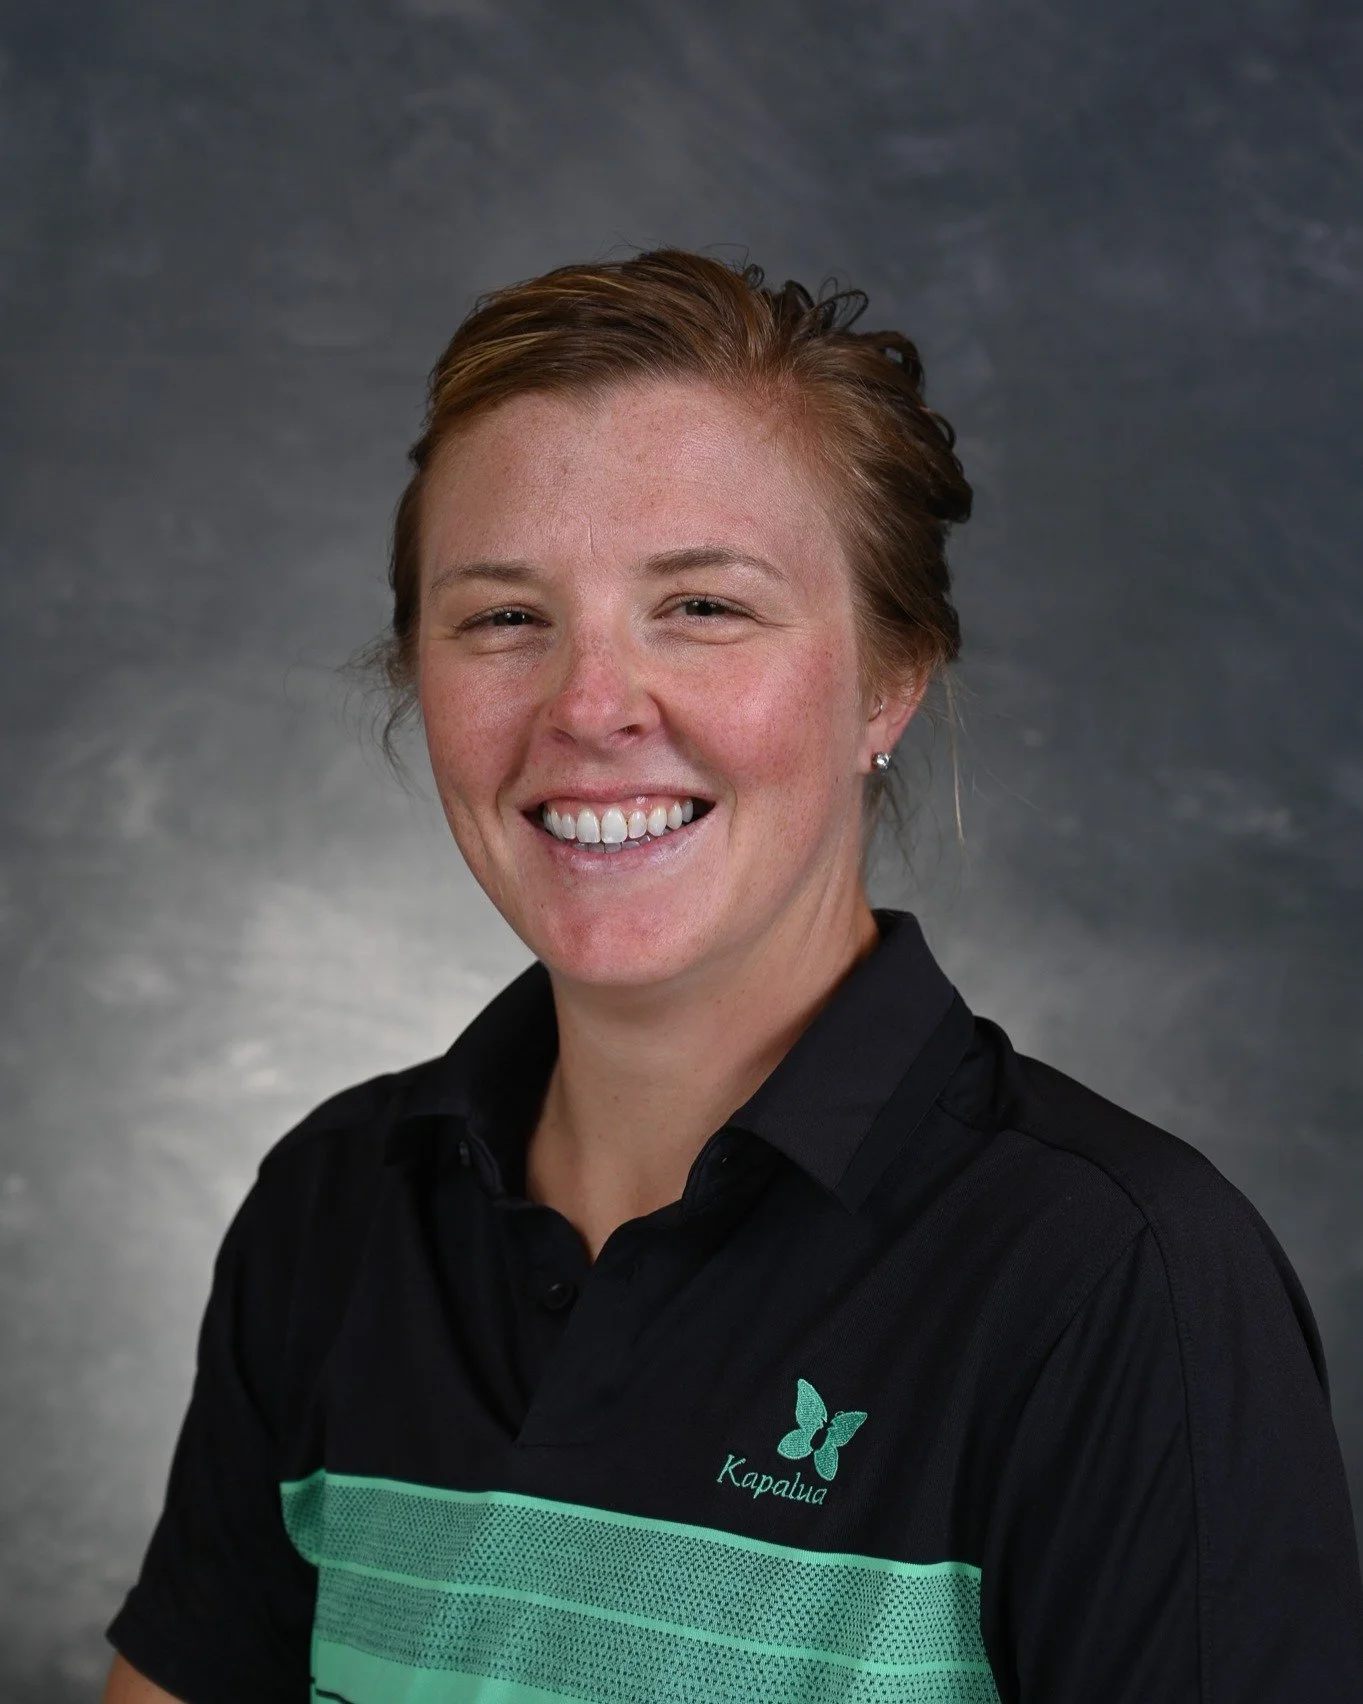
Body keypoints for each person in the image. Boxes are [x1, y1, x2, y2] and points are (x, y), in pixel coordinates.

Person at [103, 249, 1363, 1704]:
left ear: (891, 677)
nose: (589, 707)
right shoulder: (330, 1209)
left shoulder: (1116, 1279)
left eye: (702, 606)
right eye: (503, 617)